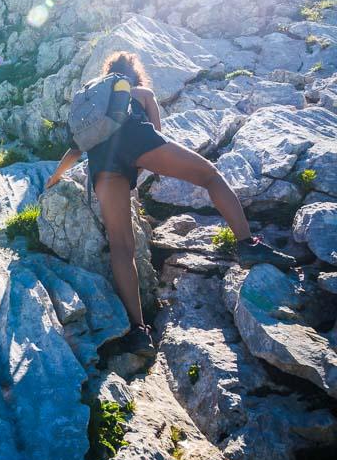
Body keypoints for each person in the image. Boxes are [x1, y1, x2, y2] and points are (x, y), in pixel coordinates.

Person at [45, 50, 296, 358]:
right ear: (134, 73)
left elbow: (76, 146)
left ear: (107, 74)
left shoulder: (96, 103)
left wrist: (55, 176)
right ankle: (247, 244)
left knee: (121, 247)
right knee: (211, 177)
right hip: (139, 142)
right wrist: (142, 163)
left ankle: (139, 333)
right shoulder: (141, 92)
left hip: (102, 163)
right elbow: (156, 134)